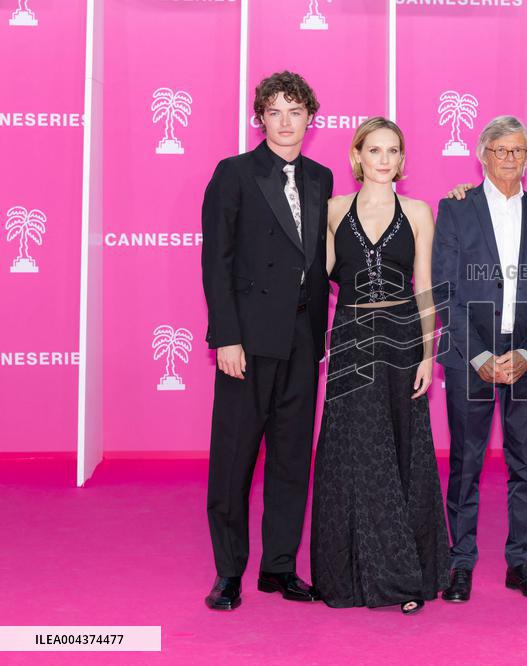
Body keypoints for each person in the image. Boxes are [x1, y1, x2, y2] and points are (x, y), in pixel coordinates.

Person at [201, 71, 332, 611]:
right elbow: (217, 262)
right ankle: (229, 572)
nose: (285, 122)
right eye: (274, 111)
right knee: (234, 461)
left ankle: (279, 567)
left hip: (304, 337)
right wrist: (226, 336)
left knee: (290, 459)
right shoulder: (233, 174)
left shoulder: (322, 177)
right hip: (249, 341)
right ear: (260, 117)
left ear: (309, 118)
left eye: (295, 111)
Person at [310, 117, 449, 615]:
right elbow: (318, 275)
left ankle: (403, 576)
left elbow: (427, 288)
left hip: (400, 338)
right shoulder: (330, 210)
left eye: (393, 150)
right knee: (353, 454)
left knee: (401, 451)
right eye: (375, 150)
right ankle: (347, 577)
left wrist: (429, 355)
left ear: (403, 160)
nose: (384, 159)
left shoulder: (417, 212)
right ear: (357, 157)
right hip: (350, 336)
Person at [432, 116, 527, 603]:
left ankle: (519, 561)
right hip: (471, 355)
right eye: (501, 150)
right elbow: (445, 291)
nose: (510, 159)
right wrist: (482, 354)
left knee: (524, 464)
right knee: (465, 463)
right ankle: (461, 561)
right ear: (482, 154)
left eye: (519, 151)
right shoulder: (455, 210)